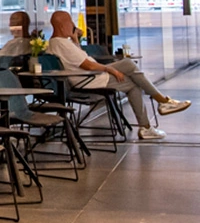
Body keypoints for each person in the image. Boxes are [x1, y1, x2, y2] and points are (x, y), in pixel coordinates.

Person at [45, 10, 190, 140]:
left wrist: (75, 40)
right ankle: (161, 104)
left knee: (133, 82)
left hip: (92, 76)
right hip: (90, 80)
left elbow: (77, 59)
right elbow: (87, 65)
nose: (73, 25)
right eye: (70, 22)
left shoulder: (61, 42)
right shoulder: (60, 43)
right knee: (128, 65)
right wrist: (111, 70)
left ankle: (149, 123)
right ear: (62, 25)